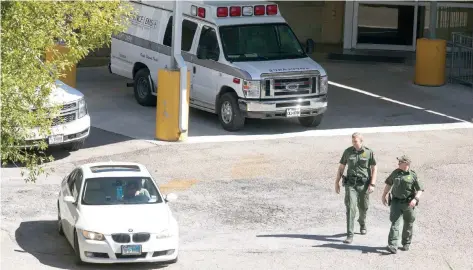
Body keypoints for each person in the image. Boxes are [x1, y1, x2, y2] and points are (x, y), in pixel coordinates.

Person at [335, 132, 377, 244]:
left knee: (364, 207)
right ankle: (350, 234)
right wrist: (337, 182)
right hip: (351, 185)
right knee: (350, 208)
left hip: (364, 185)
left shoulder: (368, 152)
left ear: (361, 141)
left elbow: (374, 168)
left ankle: (362, 223)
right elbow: (341, 167)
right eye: (353, 141)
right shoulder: (348, 152)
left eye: (356, 141)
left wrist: (372, 184)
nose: (354, 143)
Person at [381, 155, 424, 254]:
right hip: (396, 202)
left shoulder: (413, 175)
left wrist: (415, 199)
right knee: (394, 223)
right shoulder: (395, 173)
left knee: (408, 224)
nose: (398, 163)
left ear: (407, 164)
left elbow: (420, 189)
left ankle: (406, 244)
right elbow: (388, 184)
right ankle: (393, 245)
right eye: (399, 162)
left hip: (409, 203)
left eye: (400, 162)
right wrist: (384, 195)